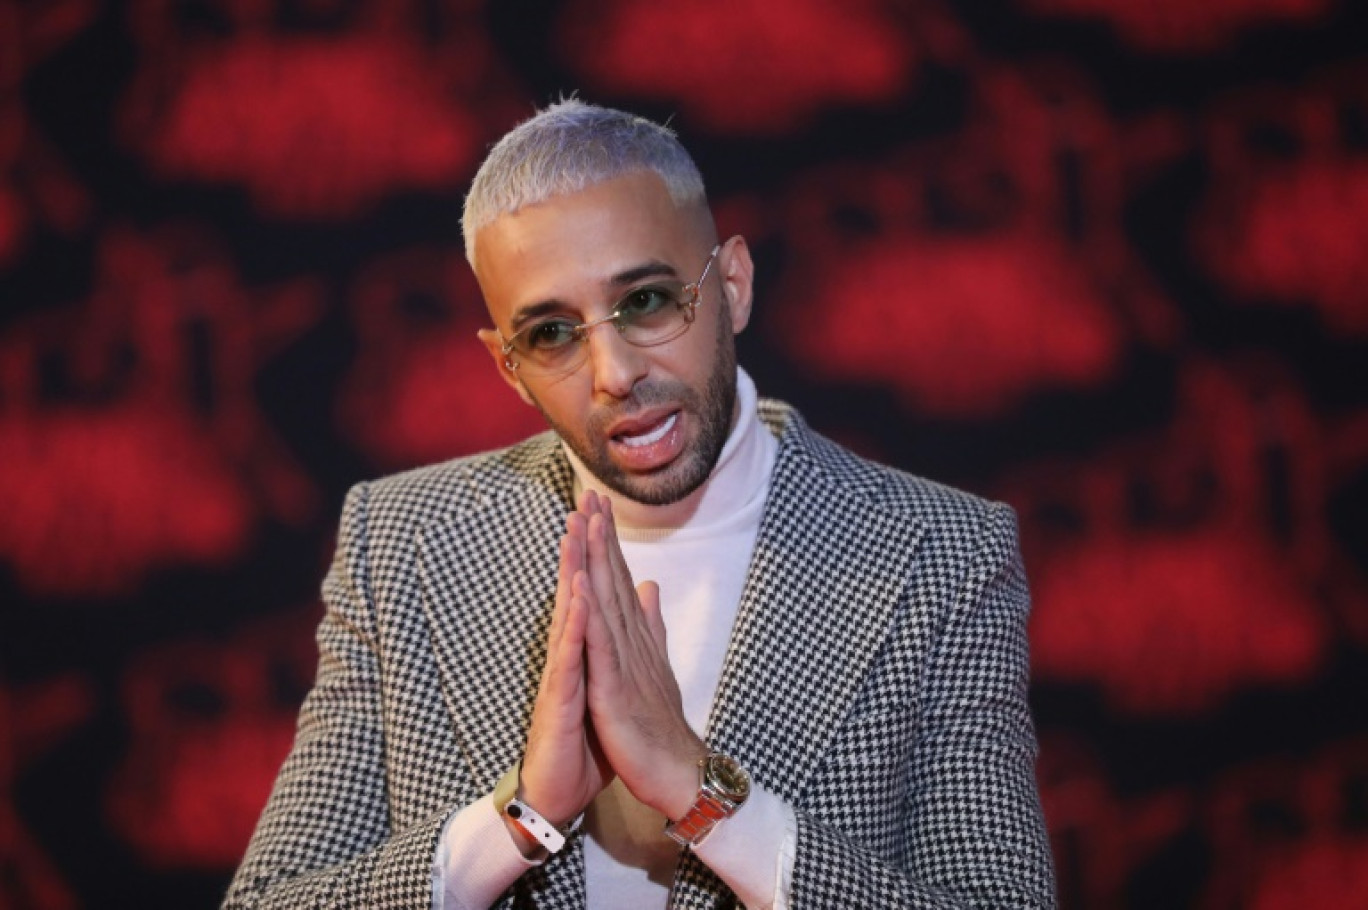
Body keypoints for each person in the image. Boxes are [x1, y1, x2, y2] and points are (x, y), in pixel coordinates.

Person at [224, 99, 1056, 909]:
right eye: (551, 333)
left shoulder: (943, 551)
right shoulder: (404, 538)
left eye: (647, 302)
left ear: (731, 285)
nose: (614, 372)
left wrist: (707, 801)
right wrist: (520, 820)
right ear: (507, 367)